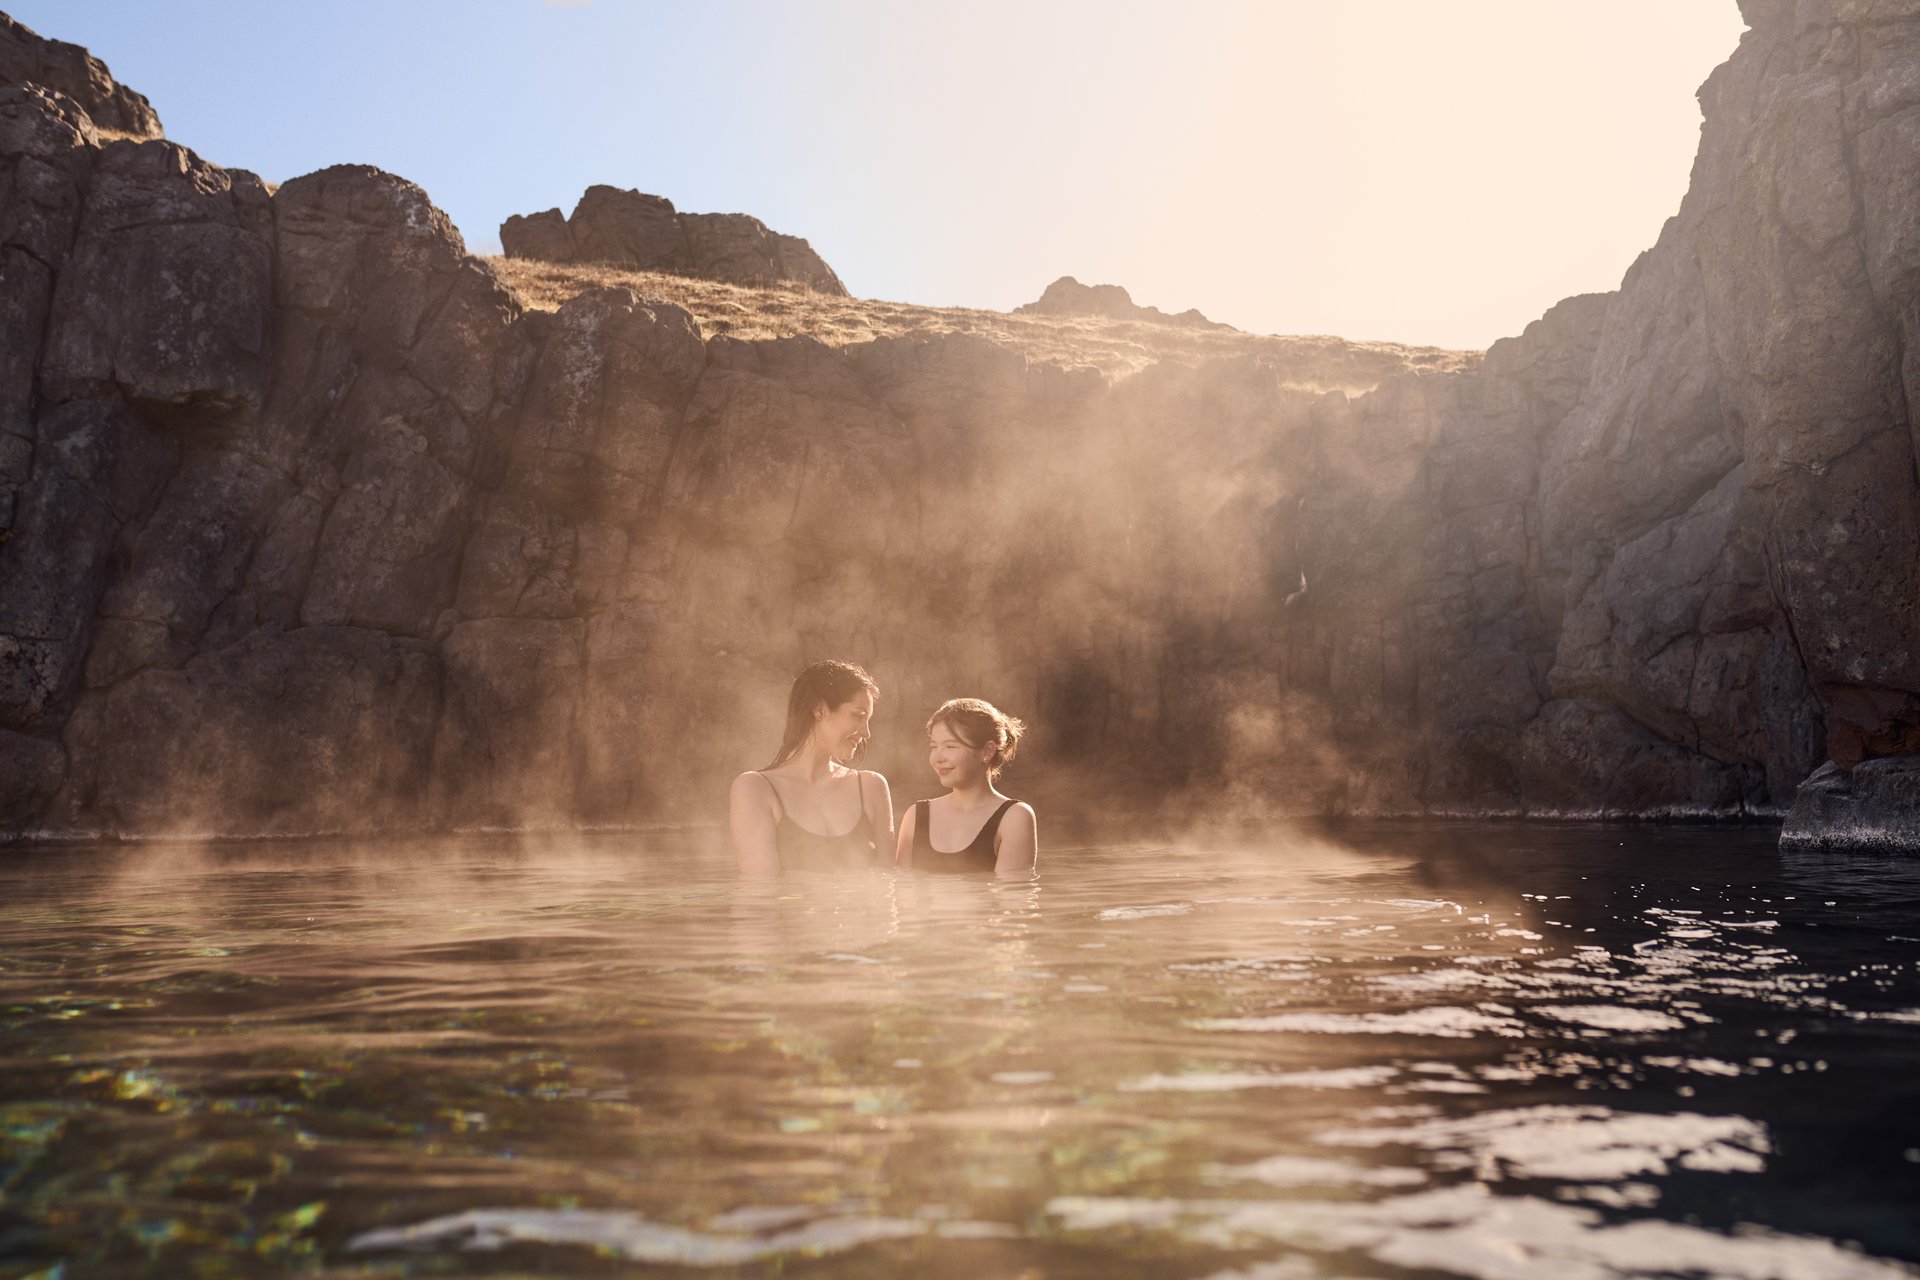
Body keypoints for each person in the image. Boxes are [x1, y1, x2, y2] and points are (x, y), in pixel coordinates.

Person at [730, 660, 894, 875]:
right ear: (820, 710)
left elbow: (889, 884)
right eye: (858, 716)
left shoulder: (871, 787)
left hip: (863, 909)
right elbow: (760, 891)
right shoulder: (756, 789)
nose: (866, 733)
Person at [895, 697, 1037, 877]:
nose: (937, 758)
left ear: (987, 752)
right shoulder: (916, 816)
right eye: (934, 746)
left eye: (950, 746)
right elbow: (902, 893)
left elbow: (1012, 897)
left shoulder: (1014, 817)